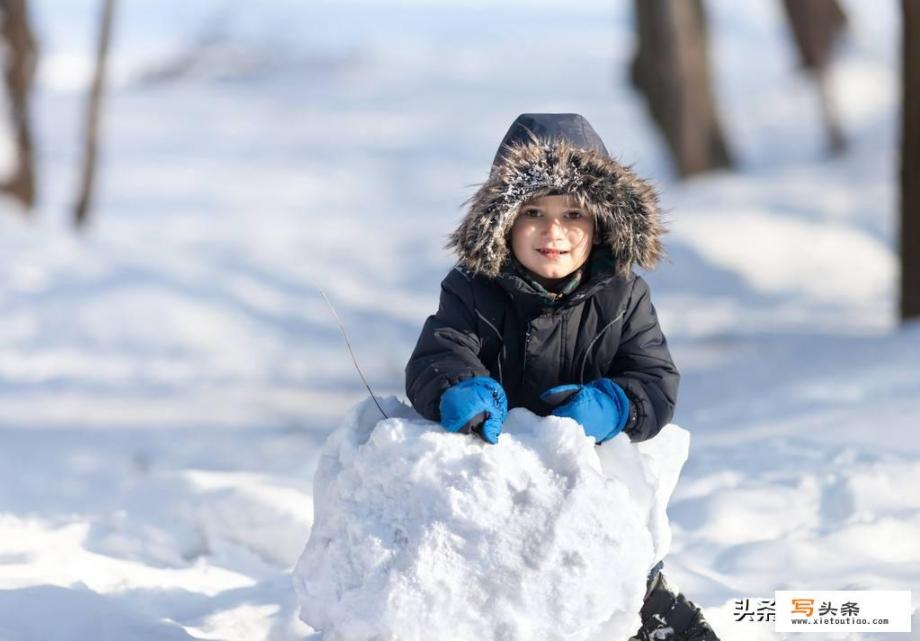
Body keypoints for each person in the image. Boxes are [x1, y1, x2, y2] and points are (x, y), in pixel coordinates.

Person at [405, 113, 719, 641]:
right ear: (503, 222)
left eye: (573, 213)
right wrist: (459, 387)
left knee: (618, 581)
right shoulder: (471, 289)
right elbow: (440, 352)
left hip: (592, 483)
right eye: (533, 213)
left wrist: (616, 404)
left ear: (602, 221)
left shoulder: (623, 294)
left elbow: (654, 376)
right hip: (495, 480)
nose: (554, 232)